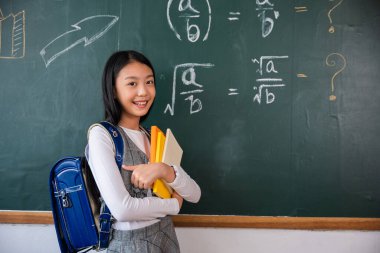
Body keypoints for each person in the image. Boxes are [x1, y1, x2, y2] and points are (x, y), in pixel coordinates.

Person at [86, 50, 201, 253]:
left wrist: (164, 170)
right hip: (131, 244)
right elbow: (122, 209)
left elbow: (194, 194)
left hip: (166, 236)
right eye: (132, 83)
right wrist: (174, 205)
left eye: (149, 82)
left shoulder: (153, 136)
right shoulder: (101, 135)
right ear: (113, 90)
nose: (143, 92)